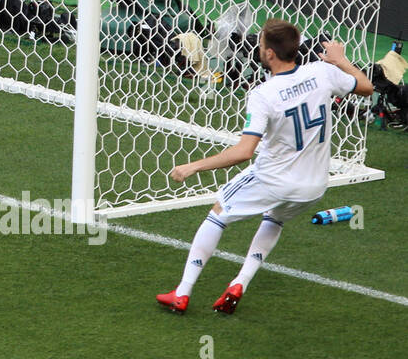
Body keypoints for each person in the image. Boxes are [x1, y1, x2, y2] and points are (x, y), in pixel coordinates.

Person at [156, 20, 373, 315]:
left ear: (269, 53)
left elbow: (244, 152)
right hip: (314, 187)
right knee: (274, 219)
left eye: (260, 44)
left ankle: (182, 292)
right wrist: (341, 60)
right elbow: (367, 87)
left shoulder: (264, 94)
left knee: (219, 211)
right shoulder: (322, 72)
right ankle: (240, 282)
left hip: (273, 178)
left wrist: (193, 166)